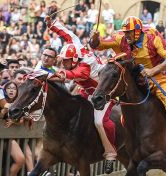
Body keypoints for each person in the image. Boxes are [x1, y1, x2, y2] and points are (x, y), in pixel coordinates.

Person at [90, 16, 166, 164]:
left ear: (137, 31)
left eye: (129, 32)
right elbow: (97, 45)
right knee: (125, 116)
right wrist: (95, 38)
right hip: (138, 82)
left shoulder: (152, 36)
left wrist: (154, 70)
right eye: (125, 32)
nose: (126, 35)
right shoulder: (121, 38)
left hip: (159, 79)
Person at [45, 16, 117, 173]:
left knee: (99, 122)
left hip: (104, 94)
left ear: (75, 58)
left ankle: (110, 153)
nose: (63, 63)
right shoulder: (75, 46)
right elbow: (68, 34)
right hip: (87, 91)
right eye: (63, 60)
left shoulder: (85, 67)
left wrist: (63, 74)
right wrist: (52, 25)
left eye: (66, 61)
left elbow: (76, 74)